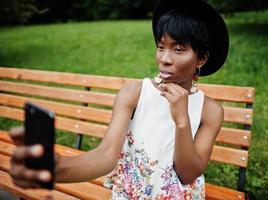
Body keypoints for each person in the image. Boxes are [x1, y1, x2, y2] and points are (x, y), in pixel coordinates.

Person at [9, 0, 229, 199]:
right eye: (161, 47)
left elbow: (188, 173)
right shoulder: (134, 93)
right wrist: (58, 168)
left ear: (201, 58)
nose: (164, 59)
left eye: (178, 49)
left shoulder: (210, 111)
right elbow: (106, 155)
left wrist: (182, 121)